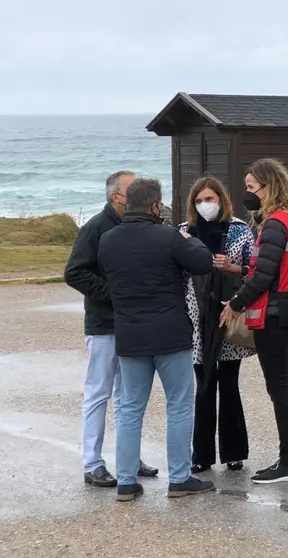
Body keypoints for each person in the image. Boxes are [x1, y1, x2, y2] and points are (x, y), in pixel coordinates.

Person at [97, 178, 216, 502]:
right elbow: (203, 262)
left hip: (130, 335)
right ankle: (179, 478)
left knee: (130, 409)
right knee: (178, 405)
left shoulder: (108, 240)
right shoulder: (169, 237)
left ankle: (125, 481)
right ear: (154, 206)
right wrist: (186, 239)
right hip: (170, 335)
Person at [63, 170, 158, 488]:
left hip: (132, 323)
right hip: (104, 325)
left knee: (129, 395)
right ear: (116, 196)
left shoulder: (138, 225)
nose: (137, 199)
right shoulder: (95, 227)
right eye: (131, 193)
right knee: (99, 393)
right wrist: (113, 294)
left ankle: (129, 458)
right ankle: (93, 463)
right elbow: (74, 272)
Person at [218, 158, 288, 485]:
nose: (249, 194)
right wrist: (240, 275)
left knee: (279, 387)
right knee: (284, 385)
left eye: (252, 188)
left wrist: (235, 304)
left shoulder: (273, 224)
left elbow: (264, 276)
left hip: (274, 313)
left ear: (270, 187)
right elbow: (270, 270)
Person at [178, 176, 256, 474]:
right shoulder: (184, 232)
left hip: (228, 312)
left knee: (229, 384)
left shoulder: (240, 230)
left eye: (210, 199)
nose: (205, 205)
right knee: (204, 385)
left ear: (221, 199)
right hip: (197, 316)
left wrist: (231, 267)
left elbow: (254, 269)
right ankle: (201, 455)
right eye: (199, 200)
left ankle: (234, 452)